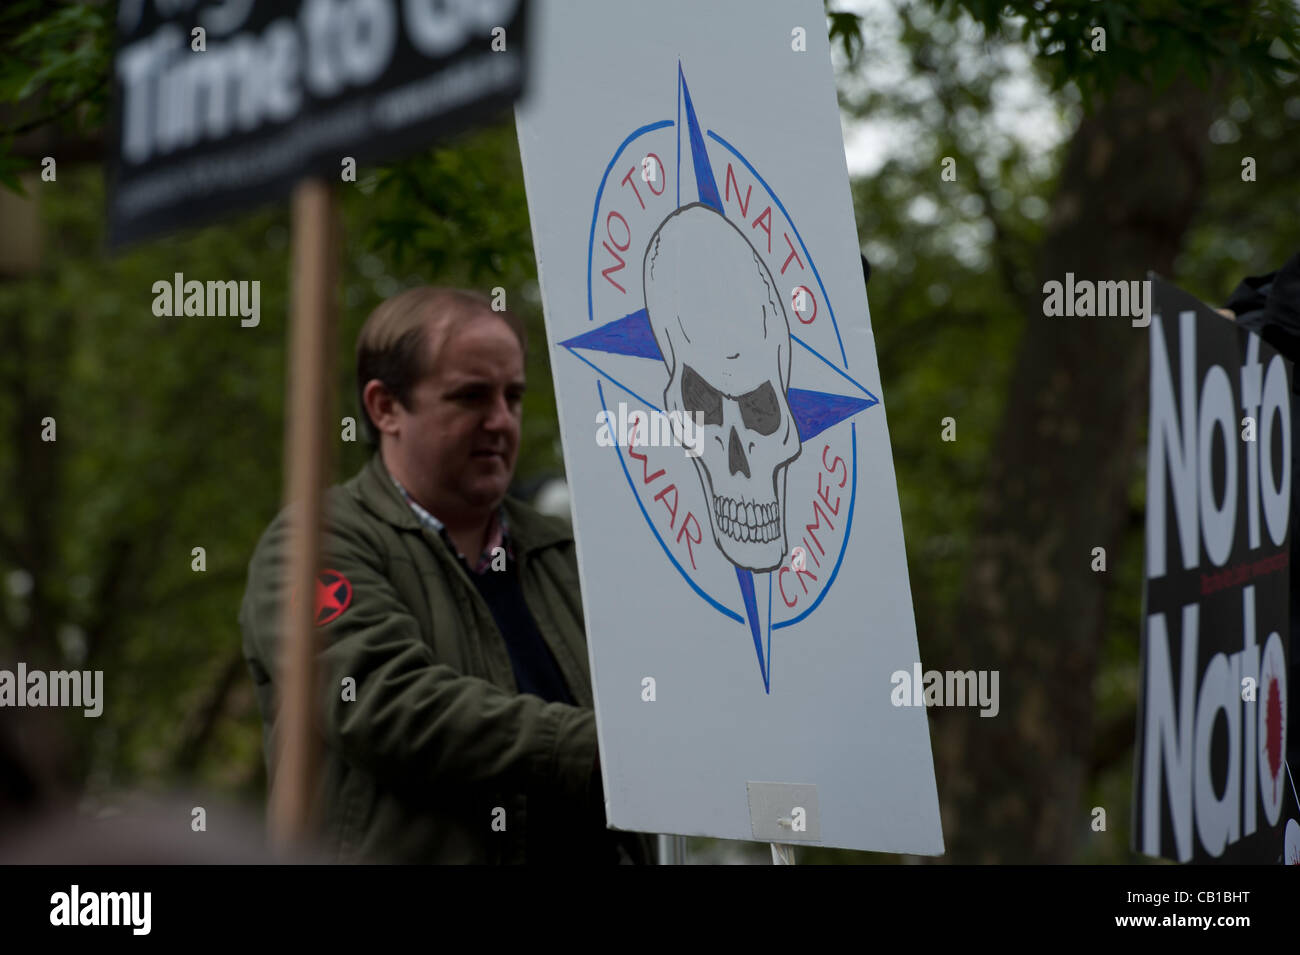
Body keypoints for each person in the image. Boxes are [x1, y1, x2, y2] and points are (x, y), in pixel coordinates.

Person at [239, 286, 655, 864]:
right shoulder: (313, 546)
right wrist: (593, 750)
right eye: (470, 397)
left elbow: (657, 703)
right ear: (385, 406)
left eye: (513, 397)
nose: (501, 421)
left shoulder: (567, 555)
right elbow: (382, 701)